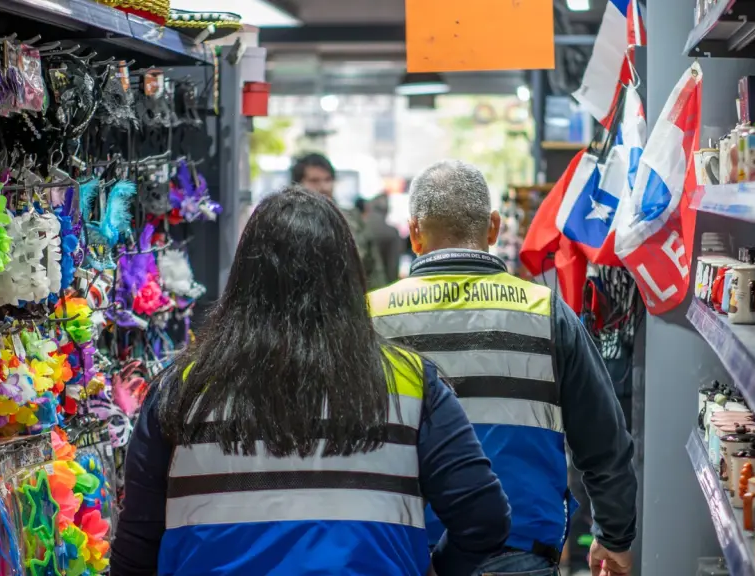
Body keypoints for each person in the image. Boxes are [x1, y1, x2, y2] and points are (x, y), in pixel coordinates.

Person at [111, 186, 511, 576]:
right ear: (348, 275)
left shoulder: (182, 387)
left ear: (245, 276)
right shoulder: (410, 382)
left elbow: (137, 546)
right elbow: (484, 519)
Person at [368, 160, 638, 576]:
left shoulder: (371, 319)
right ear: (493, 228)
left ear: (415, 233)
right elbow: (603, 439)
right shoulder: (546, 313)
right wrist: (615, 537)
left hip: (399, 551)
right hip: (519, 552)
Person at [291, 152, 388, 289]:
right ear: (297, 184)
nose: (324, 187)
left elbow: (374, 270)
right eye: (314, 181)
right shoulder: (287, 222)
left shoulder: (352, 219)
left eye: (328, 179)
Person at [365, 193, 403, 284]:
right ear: (386, 210)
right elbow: (393, 266)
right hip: (384, 286)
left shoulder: (360, 229)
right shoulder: (392, 232)